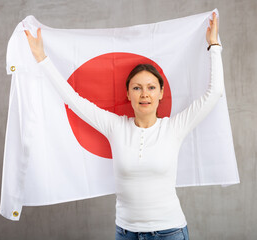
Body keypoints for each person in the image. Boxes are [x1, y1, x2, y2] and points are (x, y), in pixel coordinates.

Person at [25, 11, 223, 240]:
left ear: (161, 93)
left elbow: (215, 92)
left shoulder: (174, 127)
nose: (144, 94)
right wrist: (42, 58)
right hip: (126, 233)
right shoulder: (115, 127)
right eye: (137, 88)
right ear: (128, 95)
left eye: (151, 87)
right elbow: (72, 99)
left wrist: (214, 46)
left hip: (170, 232)